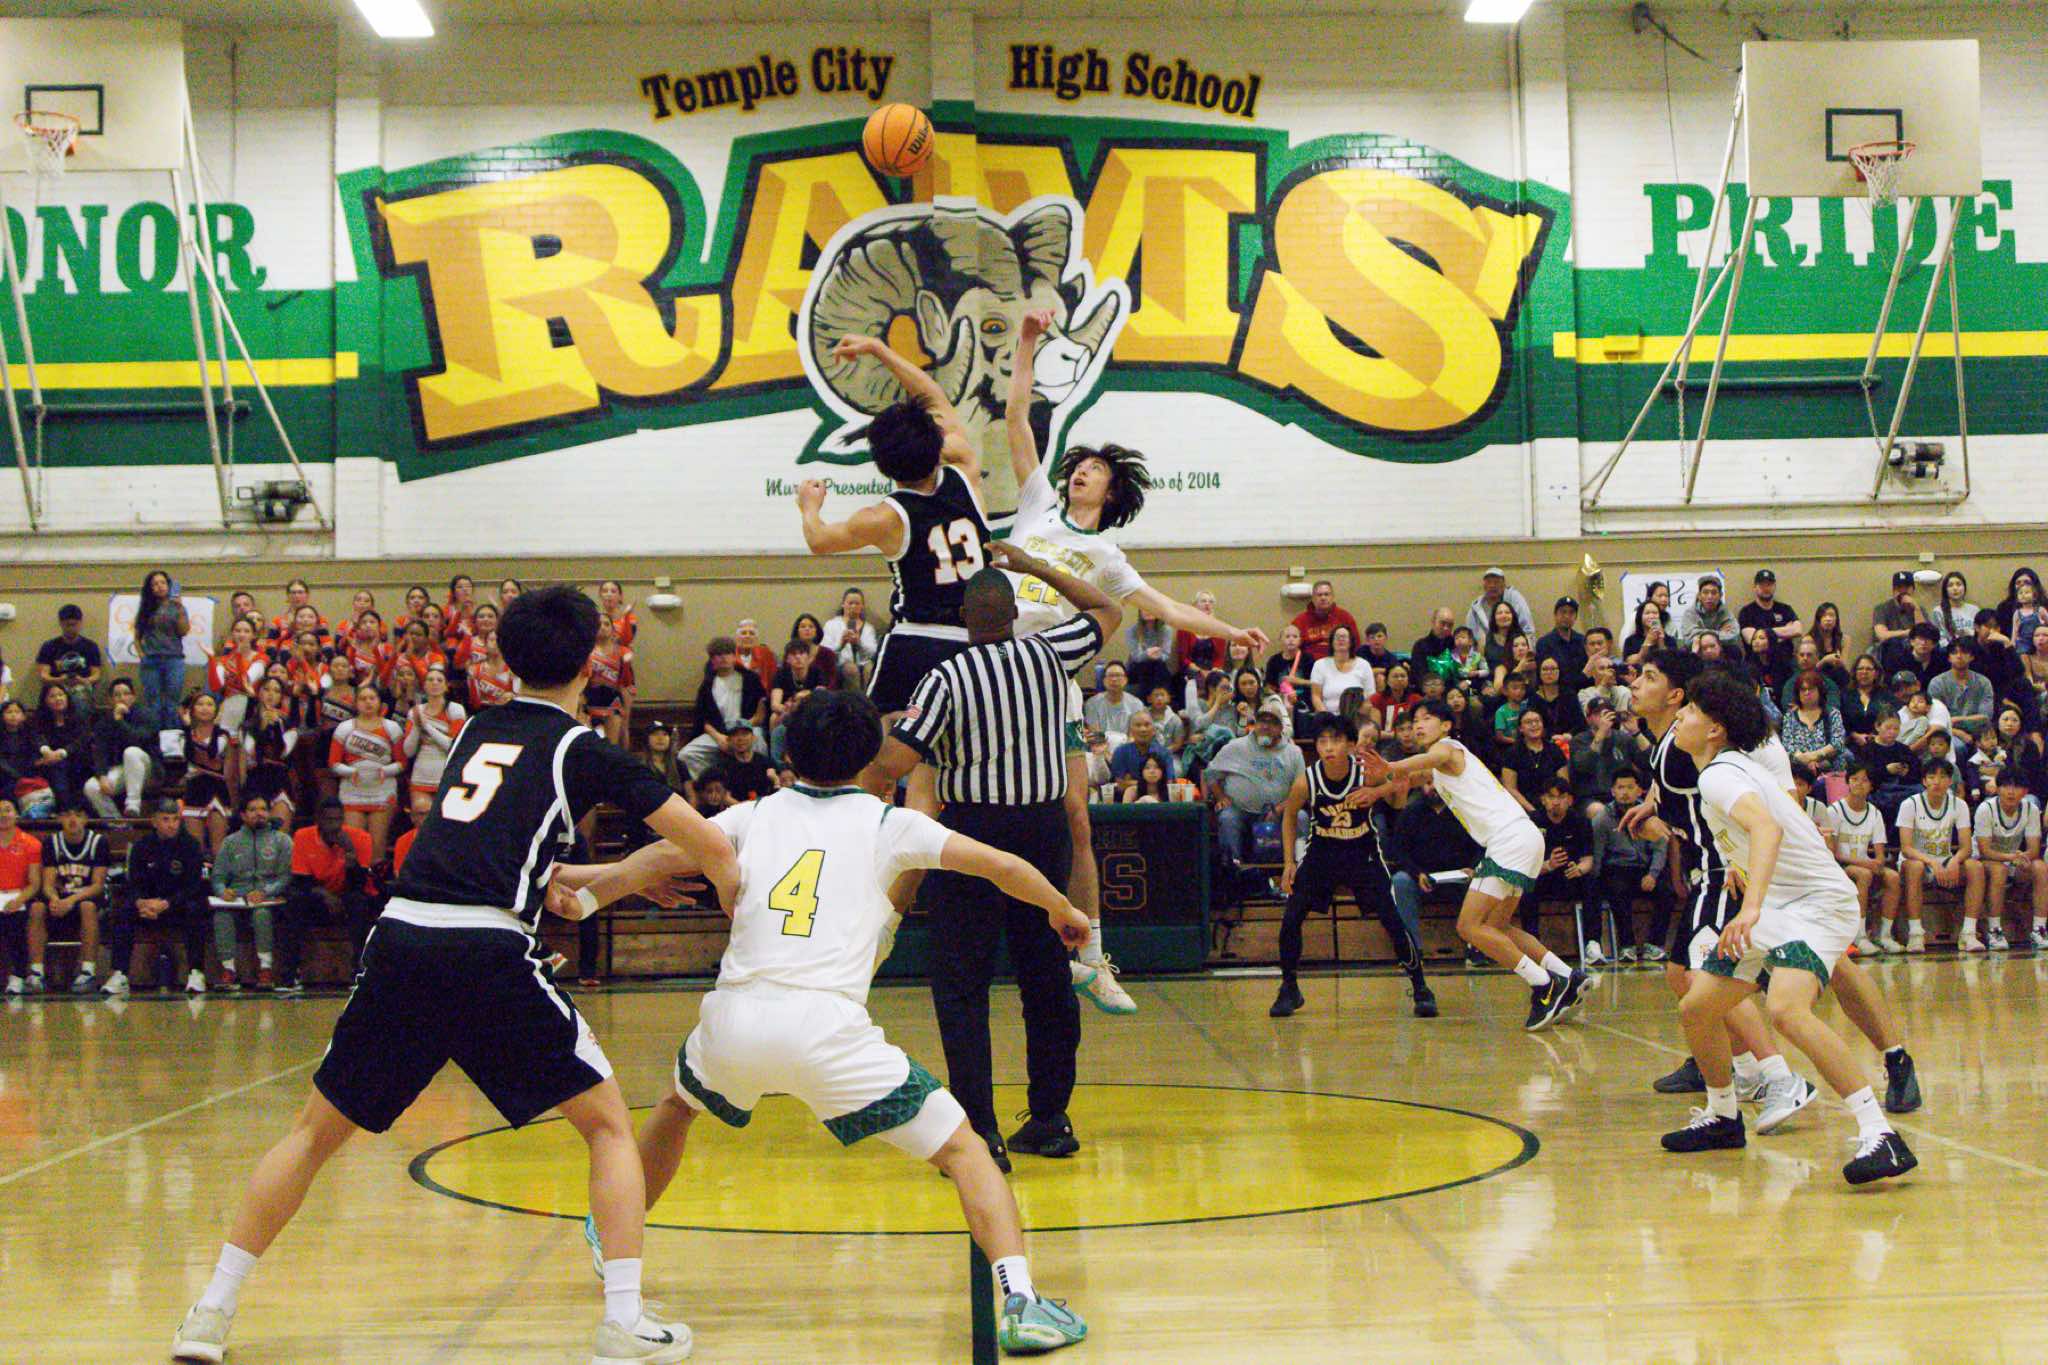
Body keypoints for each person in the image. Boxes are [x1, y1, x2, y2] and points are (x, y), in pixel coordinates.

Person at [173, 585, 739, 1365]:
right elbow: (710, 843)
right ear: (592, 663)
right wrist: (724, 888)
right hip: (486, 951)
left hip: (405, 937)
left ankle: (210, 1310)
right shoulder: (583, 748)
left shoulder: (475, 728)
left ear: (507, 658)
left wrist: (614, 877)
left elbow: (501, 857)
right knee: (609, 1126)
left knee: (310, 1134)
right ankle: (623, 1320)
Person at [563, 688, 1092, 1355]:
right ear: (870, 754)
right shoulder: (890, 823)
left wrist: (585, 892)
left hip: (734, 1018)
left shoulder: (753, 813)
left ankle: (612, 1225)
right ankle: (1021, 1298)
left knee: (677, 1104)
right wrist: (1061, 909)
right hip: (827, 1029)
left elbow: (660, 857)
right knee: (965, 1149)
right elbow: (1004, 866)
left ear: (790, 751)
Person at [1001, 305, 1268, 1016]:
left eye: (1093, 470)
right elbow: (1017, 417)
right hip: (998, 667)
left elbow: (1169, 609)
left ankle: (1093, 957)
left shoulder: (1106, 555)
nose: (1080, 473)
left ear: (1111, 490)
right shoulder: (1035, 503)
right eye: (1079, 466)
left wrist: (1232, 630)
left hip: (1053, 679)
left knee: (1076, 818)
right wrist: (1026, 341)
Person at [858, 549, 1120, 1167]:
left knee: (962, 986)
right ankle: (1050, 1120)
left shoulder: (946, 678)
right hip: (1043, 831)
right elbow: (1107, 607)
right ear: (1014, 616)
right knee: (1047, 978)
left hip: (972, 838)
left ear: (962, 619)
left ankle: (982, 1132)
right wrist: (1036, 565)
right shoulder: (1051, 652)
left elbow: (895, 763)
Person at [1653, 670, 1916, 1186]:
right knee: (1697, 1006)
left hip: (1815, 904)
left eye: (1690, 710)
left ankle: (1881, 1134)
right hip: (1780, 903)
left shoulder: (1719, 775)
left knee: (1786, 1010)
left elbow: (1767, 827)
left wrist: (1749, 908)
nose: (1679, 715)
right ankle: (1723, 1115)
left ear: (1715, 729)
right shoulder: (1728, 767)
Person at [1618, 651, 1822, 1126]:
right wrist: (1654, 807)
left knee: (1707, 984)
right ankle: (1747, 1071)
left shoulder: (1687, 751)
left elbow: (1741, 794)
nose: (1635, 684)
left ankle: (1780, 1077)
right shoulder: (1667, 749)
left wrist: (1736, 857)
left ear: (1675, 696)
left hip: (1721, 873)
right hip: (1705, 870)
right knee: (1680, 975)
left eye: (1649, 677)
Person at [1360, 699, 1588, 1030]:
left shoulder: (1448, 748)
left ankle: (1545, 984)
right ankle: (1568, 975)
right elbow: (1404, 785)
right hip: (1522, 837)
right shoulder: (1437, 769)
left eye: (1427, 718)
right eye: (1415, 720)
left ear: (1446, 726)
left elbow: (1417, 765)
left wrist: (1392, 766)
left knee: (1469, 927)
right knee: (1498, 927)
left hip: (1509, 840)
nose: (1419, 724)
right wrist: (1376, 790)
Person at [797, 331, 987, 715]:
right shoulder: (964, 467)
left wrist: (809, 506)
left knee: (879, 741)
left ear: (882, 464)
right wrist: (880, 349)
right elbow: (934, 398)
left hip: (918, 640)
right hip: (977, 643)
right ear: (936, 444)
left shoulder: (885, 518)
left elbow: (819, 540)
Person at [1271, 714, 1436, 1019]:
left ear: (1349, 745)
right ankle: (1289, 987)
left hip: (1362, 852)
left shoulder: (1365, 773)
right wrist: (1288, 863)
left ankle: (1420, 986)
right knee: (1291, 917)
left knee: (1392, 918)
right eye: (1322, 741)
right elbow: (1290, 816)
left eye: (1335, 741)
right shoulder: (1306, 780)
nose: (1328, 747)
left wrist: (1381, 791)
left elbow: (1403, 793)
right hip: (1322, 852)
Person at [1203, 701, 1305, 899]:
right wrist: (1220, 796)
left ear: (1281, 728)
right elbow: (1210, 773)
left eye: (1272, 722)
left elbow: (1302, 790)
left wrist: (1280, 808)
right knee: (1227, 818)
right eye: (1261, 721)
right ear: (1255, 723)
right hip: (1240, 810)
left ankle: (1299, 872)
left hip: (1280, 812)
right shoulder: (1236, 747)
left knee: (1300, 817)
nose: (1265, 726)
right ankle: (1233, 874)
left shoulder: (1293, 753)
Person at [108, 798, 210, 994]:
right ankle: (120, 974)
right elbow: (133, 882)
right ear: (154, 821)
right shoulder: (141, 846)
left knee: (196, 908)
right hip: (148, 907)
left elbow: (193, 886)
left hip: (177, 905)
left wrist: (167, 903)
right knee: (124, 911)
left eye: (175, 819)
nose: (172, 825)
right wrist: (141, 902)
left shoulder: (190, 845)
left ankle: (196, 972)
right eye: (165, 819)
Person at [276, 798, 376, 993]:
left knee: (360, 903)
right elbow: (301, 882)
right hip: (317, 898)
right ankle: (289, 974)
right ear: (319, 821)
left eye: (338, 820)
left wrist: (351, 855)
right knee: (294, 902)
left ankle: (359, 971)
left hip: (347, 896)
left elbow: (359, 884)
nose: (334, 826)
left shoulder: (360, 838)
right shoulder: (303, 836)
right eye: (329, 820)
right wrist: (325, 895)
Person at [209, 793, 293, 991]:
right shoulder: (230, 842)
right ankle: (228, 970)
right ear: (243, 815)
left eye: (263, 809)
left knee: (261, 914)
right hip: (237, 899)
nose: (259, 814)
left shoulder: (282, 841)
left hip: (268, 899)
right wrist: (222, 891)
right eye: (253, 810)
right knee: (221, 915)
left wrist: (265, 892)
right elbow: (218, 877)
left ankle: (265, 969)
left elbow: (285, 877)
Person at [27, 799, 107, 994]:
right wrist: (55, 899)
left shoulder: (98, 842)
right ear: (60, 818)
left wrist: (71, 900)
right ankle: (36, 973)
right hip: (60, 899)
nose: (73, 820)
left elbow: (97, 885)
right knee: (37, 907)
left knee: (87, 906)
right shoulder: (51, 842)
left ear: (85, 819)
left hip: (84, 898)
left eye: (78, 815)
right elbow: (47, 884)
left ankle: (88, 971)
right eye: (67, 815)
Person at [1590, 770, 1668, 965]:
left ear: (1640, 791)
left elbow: (1660, 847)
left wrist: (1652, 874)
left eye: (1630, 787)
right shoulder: (1602, 819)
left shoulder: (1650, 815)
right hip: (1618, 867)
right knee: (1618, 889)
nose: (1625, 792)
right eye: (1620, 787)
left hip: (1645, 868)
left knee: (1667, 891)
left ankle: (1654, 944)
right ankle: (1627, 946)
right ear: (1612, 791)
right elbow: (1597, 853)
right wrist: (1594, 880)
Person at [1895, 759, 1970, 954]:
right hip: (1916, 860)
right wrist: (1932, 862)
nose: (1937, 781)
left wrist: (1955, 861)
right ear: (1924, 781)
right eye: (1931, 777)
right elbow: (1906, 848)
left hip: (1944, 859)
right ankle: (1915, 934)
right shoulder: (1910, 804)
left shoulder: (1959, 805)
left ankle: (1969, 932)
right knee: (1915, 867)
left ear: (1950, 781)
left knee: (1975, 868)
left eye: (1943, 777)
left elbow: (1966, 847)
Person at [1831, 765, 1902, 958]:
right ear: (1847, 782)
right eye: (1854, 779)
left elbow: (1880, 852)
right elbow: (1834, 853)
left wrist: (1878, 862)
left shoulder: (1874, 813)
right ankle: (1859, 935)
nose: (1859, 784)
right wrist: (1867, 864)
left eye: (1864, 780)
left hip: (1865, 864)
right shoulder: (1835, 810)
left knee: (1893, 877)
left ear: (1871, 785)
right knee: (1864, 875)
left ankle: (1884, 935)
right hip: (1840, 866)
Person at [329, 683, 405, 863]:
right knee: (354, 846)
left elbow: (402, 763)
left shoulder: (392, 728)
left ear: (380, 702)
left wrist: (386, 770)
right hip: (352, 792)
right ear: (356, 703)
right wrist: (350, 772)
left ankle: (376, 880)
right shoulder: (344, 728)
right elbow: (333, 763)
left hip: (382, 791)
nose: (368, 702)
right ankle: (356, 880)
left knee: (377, 847)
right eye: (363, 699)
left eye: (372, 698)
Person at [1972, 768, 2045, 952]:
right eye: (2006, 786)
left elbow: (2034, 849)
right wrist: (2011, 858)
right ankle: (1994, 930)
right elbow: (1984, 850)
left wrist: (2023, 858)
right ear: (1997, 789)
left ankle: (2040, 929)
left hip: (2012, 858)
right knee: (1999, 870)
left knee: (2040, 867)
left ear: (2025, 791)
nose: (2011, 792)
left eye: (2016, 787)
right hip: (1983, 860)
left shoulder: (2031, 809)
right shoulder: (1986, 809)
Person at [83, 677, 156, 819]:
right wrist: (102, 775)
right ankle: (117, 823)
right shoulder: (104, 722)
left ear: (133, 697)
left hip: (146, 767)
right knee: (91, 787)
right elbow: (99, 751)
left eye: (126, 694)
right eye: (117, 695)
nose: (122, 698)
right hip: (120, 768)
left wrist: (120, 721)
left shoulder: (146, 715)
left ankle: (133, 805)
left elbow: (138, 740)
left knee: (131, 752)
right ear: (110, 700)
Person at [402, 666, 469, 818]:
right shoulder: (415, 711)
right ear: (424, 686)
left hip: (447, 774)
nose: (434, 683)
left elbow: (453, 747)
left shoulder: (455, 709)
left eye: (439, 680)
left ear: (446, 686)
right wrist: (417, 726)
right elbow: (408, 751)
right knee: (422, 822)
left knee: (445, 821)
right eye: (430, 680)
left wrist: (426, 726)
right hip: (421, 775)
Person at [133, 569, 191, 734]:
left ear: (169, 585)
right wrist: (142, 655)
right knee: (154, 702)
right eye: (155, 584)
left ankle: (172, 739)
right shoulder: (146, 609)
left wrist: (180, 608)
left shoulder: (177, 607)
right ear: (150, 588)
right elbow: (137, 636)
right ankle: (154, 738)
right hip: (151, 660)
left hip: (174, 660)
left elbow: (184, 631)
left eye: (163, 583)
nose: (159, 586)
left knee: (172, 702)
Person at [0, 795, 43, 995]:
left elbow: (35, 883)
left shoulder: (30, 843)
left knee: (15, 921)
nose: (3, 815)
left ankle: (18, 975)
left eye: (7, 810)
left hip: (19, 896)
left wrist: (18, 900)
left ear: (16, 814)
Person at [35, 604, 103, 715]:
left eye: (74, 624)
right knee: (57, 697)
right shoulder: (49, 646)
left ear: (80, 623)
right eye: (68, 625)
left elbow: (96, 675)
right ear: (61, 624)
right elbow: (43, 675)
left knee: (79, 697)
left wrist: (82, 680)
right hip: (57, 687)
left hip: (81, 687)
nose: (71, 628)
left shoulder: (90, 646)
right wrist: (60, 680)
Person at [1928, 638, 1994, 739]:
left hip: (1979, 732)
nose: (1959, 656)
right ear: (1949, 657)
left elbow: (1985, 716)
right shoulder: (1937, 683)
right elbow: (1936, 719)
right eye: (1954, 653)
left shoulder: (1983, 682)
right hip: (1947, 732)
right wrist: (1958, 733)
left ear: (1972, 657)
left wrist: (1957, 719)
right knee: (1957, 745)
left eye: (1964, 652)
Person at [820, 586, 880, 689]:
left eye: (857, 603)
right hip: (841, 665)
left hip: (864, 664)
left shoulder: (868, 628)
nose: (853, 606)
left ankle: (868, 697)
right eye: (850, 603)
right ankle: (854, 698)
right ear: (843, 604)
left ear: (862, 606)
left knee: (870, 668)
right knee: (851, 669)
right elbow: (825, 652)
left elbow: (874, 653)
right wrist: (841, 645)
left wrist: (859, 643)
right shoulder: (831, 625)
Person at [1309, 625, 1374, 717]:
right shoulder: (1320, 665)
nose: (1341, 639)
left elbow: (1370, 698)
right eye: (1337, 637)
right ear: (1332, 642)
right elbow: (1316, 697)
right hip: (1328, 717)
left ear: (1351, 642)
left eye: (1344, 637)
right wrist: (1327, 716)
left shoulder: (1364, 665)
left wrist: (1355, 718)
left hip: (1355, 718)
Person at [1871, 570, 1927, 675]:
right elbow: (1882, 635)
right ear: (1893, 591)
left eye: (1907, 587)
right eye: (1899, 588)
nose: (1903, 591)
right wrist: (1907, 633)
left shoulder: (1920, 609)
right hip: (1890, 651)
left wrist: (1916, 609)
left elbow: (1924, 634)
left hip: (1915, 650)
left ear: (1913, 589)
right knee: (1894, 645)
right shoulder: (1882, 608)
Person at [1292, 580, 1361, 663]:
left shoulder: (1345, 617)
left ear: (1332, 597)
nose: (1323, 598)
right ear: (1313, 598)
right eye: (1319, 595)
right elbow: (1293, 648)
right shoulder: (1300, 621)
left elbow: (1355, 645)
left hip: (1339, 663)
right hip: (1309, 665)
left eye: (1326, 594)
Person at [1536, 596, 1589, 692]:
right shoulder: (1544, 643)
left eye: (1571, 613)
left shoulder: (1583, 641)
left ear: (1576, 617)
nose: (1567, 616)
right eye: (1563, 612)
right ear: (1555, 615)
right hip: (1558, 693)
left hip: (1583, 691)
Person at [1464, 567, 1533, 640]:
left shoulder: (1515, 598)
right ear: (1484, 586)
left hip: (1513, 643)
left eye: (1496, 582)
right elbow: (1469, 634)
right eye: (1489, 582)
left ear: (1503, 585)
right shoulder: (1476, 606)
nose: (1492, 586)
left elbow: (1527, 629)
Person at [1081, 660, 1145, 737]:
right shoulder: (1092, 703)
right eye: (1110, 675)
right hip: (1101, 743)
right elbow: (1096, 736)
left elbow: (1133, 737)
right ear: (1104, 681)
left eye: (1118, 675)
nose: (1114, 679)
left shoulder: (1136, 704)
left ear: (1125, 680)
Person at [1674, 575, 1737, 650]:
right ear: (1699, 596)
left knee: (1734, 650)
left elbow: (1734, 637)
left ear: (1720, 595)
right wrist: (1719, 633)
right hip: (1698, 649)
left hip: (1719, 649)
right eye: (1705, 592)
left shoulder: (1726, 613)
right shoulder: (1689, 613)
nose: (1710, 596)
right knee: (1684, 651)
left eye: (1714, 593)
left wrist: (1699, 633)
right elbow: (1689, 640)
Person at [1931, 571, 1979, 648]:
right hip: (1949, 650)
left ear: (1964, 587)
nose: (1955, 588)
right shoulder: (1938, 611)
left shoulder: (1974, 609)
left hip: (1972, 649)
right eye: (1950, 585)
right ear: (1945, 590)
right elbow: (1939, 638)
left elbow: (1979, 634)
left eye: (1958, 584)